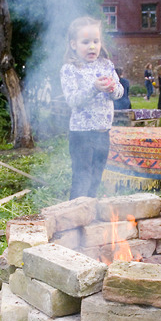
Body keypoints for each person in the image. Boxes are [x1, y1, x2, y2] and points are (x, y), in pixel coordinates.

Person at [60, 16, 123, 200]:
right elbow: (72, 99)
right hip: (82, 134)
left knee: (96, 177)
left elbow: (119, 92)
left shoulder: (107, 65)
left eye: (96, 41)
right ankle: (74, 219)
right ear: (74, 44)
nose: (92, 47)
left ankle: (90, 218)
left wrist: (112, 88)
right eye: (85, 42)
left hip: (103, 131)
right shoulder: (70, 69)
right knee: (82, 178)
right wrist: (93, 88)